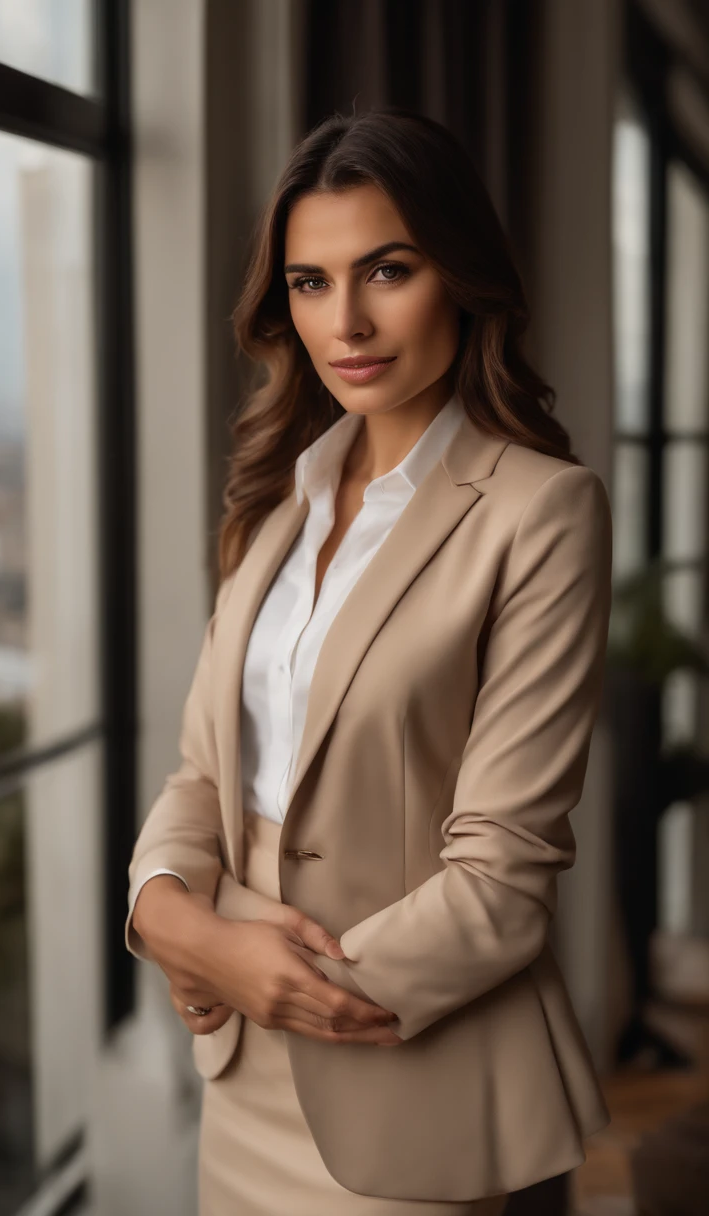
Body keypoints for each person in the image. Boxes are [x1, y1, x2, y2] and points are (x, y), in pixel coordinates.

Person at [125, 107, 613, 1215]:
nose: (344, 320)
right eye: (308, 282)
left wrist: (258, 973)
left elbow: (502, 875)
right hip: (243, 1077)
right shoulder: (273, 501)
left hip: (406, 1063)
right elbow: (202, 775)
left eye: (385, 270)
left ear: (461, 275)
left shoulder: (540, 511)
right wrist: (161, 907)